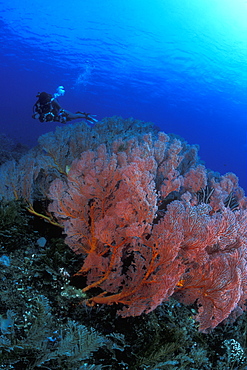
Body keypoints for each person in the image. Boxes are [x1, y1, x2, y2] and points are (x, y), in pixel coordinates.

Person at [32, 86, 97, 124]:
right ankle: (82, 115)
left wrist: (61, 112)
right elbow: (39, 116)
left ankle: (86, 116)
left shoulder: (52, 100)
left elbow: (59, 107)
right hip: (54, 116)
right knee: (69, 119)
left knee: (73, 116)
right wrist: (37, 115)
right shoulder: (38, 105)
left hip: (57, 112)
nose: (48, 101)